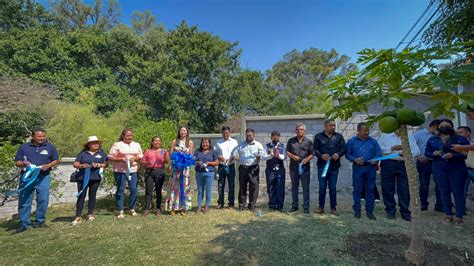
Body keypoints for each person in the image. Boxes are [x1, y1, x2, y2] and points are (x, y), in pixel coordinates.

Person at [14, 128, 59, 234]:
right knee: (25, 201)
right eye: (39, 136)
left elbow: (56, 160)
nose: (41, 138)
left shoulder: (50, 147)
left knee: (43, 200)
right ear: (33, 137)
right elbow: (17, 162)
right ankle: (24, 223)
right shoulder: (24, 147)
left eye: (43, 136)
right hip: (27, 177)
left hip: (43, 177)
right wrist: (25, 164)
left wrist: (48, 165)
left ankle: (40, 222)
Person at [426, 119, 469, 226]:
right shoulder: (433, 139)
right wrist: (433, 154)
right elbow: (427, 153)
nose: (445, 127)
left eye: (447, 125)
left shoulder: (460, 139)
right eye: (442, 125)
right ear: (438, 127)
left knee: (457, 192)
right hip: (439, 168)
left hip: (456, 168)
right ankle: (448, 215)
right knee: (444, 191)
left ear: (451, 126)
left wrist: (453, 155)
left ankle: (459, 217)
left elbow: (467, 154)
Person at [378, 130, 420, 222]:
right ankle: (390, 211)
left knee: (404, 188)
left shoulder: (408, 135)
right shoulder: (385, 135)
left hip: (404, 163)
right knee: (388, 188)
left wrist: (407, 153)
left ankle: (405, 212)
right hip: (389, 163)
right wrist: (391, 148)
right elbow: (379, 149)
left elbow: (416, 150)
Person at [346, 123, 382, 220]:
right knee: (357, 189)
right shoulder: (351, 141)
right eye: (365, 130)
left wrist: (376, 159)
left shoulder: (373, 142)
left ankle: (370, 211)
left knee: (370, 189)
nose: (367, 132)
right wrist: (355, 159)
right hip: (358, 168)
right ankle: (357, 211)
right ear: (358, 131)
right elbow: (348, 154)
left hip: (370, 168)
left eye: (368, 130)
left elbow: (378, 153)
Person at [71, 136, 108, 226]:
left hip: (95, 178)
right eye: (94, 143)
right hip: (82, 178)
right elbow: (75, 164)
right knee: (81, 196)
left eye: (97, 143)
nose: (96, 144)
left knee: (92, 195)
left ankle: (90, 213)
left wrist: (99, 165)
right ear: (89, 145)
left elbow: (106, 164)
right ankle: (78, 215)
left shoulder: (102, 153)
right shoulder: (83, 154)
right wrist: (82, 165)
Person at [108, 128, 143, 219]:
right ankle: (120, 210)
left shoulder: (136, 144)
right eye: (127, 135)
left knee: (134, 189)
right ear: (123, 136)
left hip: (133, 170)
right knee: (120, 189)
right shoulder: (117, 145)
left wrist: (134, 158)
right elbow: (110, 157)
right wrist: (121, 159)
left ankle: (132, 208)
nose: (130, 137)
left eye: (131, 135)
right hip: (120, 171)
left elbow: (141, 156)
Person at [313, 120, 346, 215]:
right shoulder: (318, 136)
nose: (333, 127)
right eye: (331, 125)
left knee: (333, 187)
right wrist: (321, 156)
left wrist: (338, 154)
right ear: (325, 126)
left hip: (334, 167)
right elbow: (315, 149)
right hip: (322, 166)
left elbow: (344, 149)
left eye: (334, 125)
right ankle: (321, 207)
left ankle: (333, 208)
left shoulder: (339, 136)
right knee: (322, 187)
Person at [413, 119, 443, 212]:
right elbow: (412, 145)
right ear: (434, 127)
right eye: (439, 128)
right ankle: (423, 204)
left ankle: (439, 205)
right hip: (423, 162)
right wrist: (418, 157)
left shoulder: (440, 136)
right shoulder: (419, 134)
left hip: (436, 162)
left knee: (439, 184)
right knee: (424, 184)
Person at [232, 128, 265, 212]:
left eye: (250, 135)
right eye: (247, 135)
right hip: (243, 168)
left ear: (254, 136)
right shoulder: (241, 144)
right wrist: (235, 155)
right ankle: (241, 206)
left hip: (253, 168)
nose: (248, 137)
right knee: (242, 186)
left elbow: (262, 153)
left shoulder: (258, 145)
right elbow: (235, 152)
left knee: (253, 187)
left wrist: (259, 156)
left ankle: (252, 205)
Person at [286, 123, 314, 214]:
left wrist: (306, 159)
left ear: (304, 131)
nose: (299, 131)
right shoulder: (291, 141)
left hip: (305, 168)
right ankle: (295, 206)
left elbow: (312, 154)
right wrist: (293, 156)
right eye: (298, 129)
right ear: (295, 131)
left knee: (305, 188)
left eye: (301, 129)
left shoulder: (308, 142)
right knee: (294, 187)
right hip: (293, 168)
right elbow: (287, 152)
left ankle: (306, 207)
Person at [166, 126, 194, 214]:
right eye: (181, 130)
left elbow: (190, 155)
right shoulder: (175, 141)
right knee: (175, 187)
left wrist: (185, 160)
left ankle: (184, 208)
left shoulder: (190, 142)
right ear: (179, 132)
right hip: (176, 168)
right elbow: (171, 154)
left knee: (185, 186)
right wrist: (171, 164)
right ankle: (174, 207)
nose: (183, 132)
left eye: (184, 130)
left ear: (187, 132)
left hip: (185, 168)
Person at [141, 136, 169, 217]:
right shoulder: (148, 151)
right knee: (148, 191)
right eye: (155, 141)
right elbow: (143, 161)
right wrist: (145, 163)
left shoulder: (163, 151)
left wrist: (167, 154)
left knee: (158, 190)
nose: (157, 142)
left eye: (159, 141)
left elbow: (168, 161)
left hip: (159, 171)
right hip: (149, 171)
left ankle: (158, 209)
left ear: (161, 142)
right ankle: (146, 209)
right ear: (152, 142)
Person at [214, 126, 239, 209]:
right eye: (224, 133)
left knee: (231, 185)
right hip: (221, 166)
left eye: (227, 133)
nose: (225, 134)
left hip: (231, 165)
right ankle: (220, 203)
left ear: (229, 133)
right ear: (222, 133)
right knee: (220, 185)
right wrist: (219, 157)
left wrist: (232, 158)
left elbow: (236, 152)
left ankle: (231, 203)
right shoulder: (218, 143)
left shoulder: (234, 142)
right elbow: (215, 153)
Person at [194, 138, 219, 214]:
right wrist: (197, 162)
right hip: (199, 173)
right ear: (201, 144)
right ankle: (199, 206)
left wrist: (209, 163)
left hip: (209, 173)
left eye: (206, 143)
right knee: (200, 190)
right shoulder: (197, 151)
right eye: (203, 143)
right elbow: (193, 160)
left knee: (208, 190)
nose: (205, 144)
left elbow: (217, 162)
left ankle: (207, 206)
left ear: (209, 144)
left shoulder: (213, 152)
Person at [264, 131, 287, 212]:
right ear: (271, 137)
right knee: (270, 188)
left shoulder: (282, 146)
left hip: (280, 169)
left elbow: (284, 157)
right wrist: (270, 155)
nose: (276, 139)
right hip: (270, 169)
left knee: (280, 187)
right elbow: (264, 157)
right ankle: (272, 206)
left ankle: (280, 206)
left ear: (279, 138)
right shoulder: (267, 146)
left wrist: (278, 155)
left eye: (277, 138)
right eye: (274, 137)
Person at [457, 126, 474, 209]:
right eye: (457, 133)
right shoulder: (458, 144)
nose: (459, 135)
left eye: (461, 132)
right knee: (462, 190)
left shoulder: (472, 142)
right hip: (464, 168)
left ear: (468, 133)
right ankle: (461, 208)